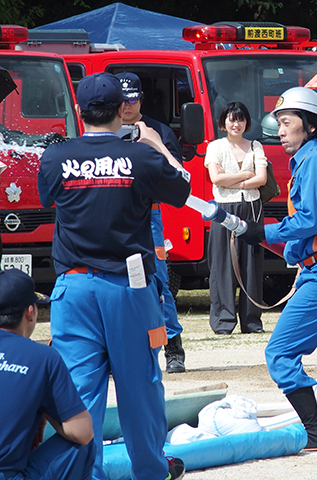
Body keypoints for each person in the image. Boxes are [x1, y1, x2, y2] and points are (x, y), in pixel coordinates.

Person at [37, 72, 190, 480]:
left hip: (73, 289)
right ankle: (151, 472)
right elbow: (183, 191)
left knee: (80, 394)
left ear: (79, 110)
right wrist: (156, 144)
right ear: (124, 109)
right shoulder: (141, 156)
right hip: (129, 287)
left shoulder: (56, 156)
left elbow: (44, 195)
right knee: (140, 390)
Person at [239, 87, 317, 451]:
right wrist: (259, 236)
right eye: (278, 123)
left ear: (309, 127)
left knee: (279, 353)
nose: (279, 130)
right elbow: (308, 230)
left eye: (286, 122)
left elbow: (314, 218)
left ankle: (316, 433)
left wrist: (265, 229)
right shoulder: (308, 162)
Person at [116, 71, 186, 373]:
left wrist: (153, 144)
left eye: (132, 99)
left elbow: (178, 176)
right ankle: (120, 351)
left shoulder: (157, 130)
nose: (127, 106)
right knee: (117, 284)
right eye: (121, 101)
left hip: (149, 214)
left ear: (141, 99)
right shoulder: (106, 130)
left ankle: (173, 347)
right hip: (114, 216)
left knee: (157, 281)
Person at [0, 268, 95, 480]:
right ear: (30, 312)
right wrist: (45, 407)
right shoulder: (43, 357)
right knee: (82, 446)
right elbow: (82, 432)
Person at [205, 102, 266, 334]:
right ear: (223, 123)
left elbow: (260, 179)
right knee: (222, 264)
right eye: (231, 119)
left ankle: (251, 321)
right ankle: (223, 321)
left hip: (251, 207)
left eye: (240, 119)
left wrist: (233, 179)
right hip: (223, 209)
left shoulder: (256, 146)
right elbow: (215, 179)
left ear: (246, 123)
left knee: (251, 264)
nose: (236, 124)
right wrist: (244, 176)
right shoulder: (215, 147)